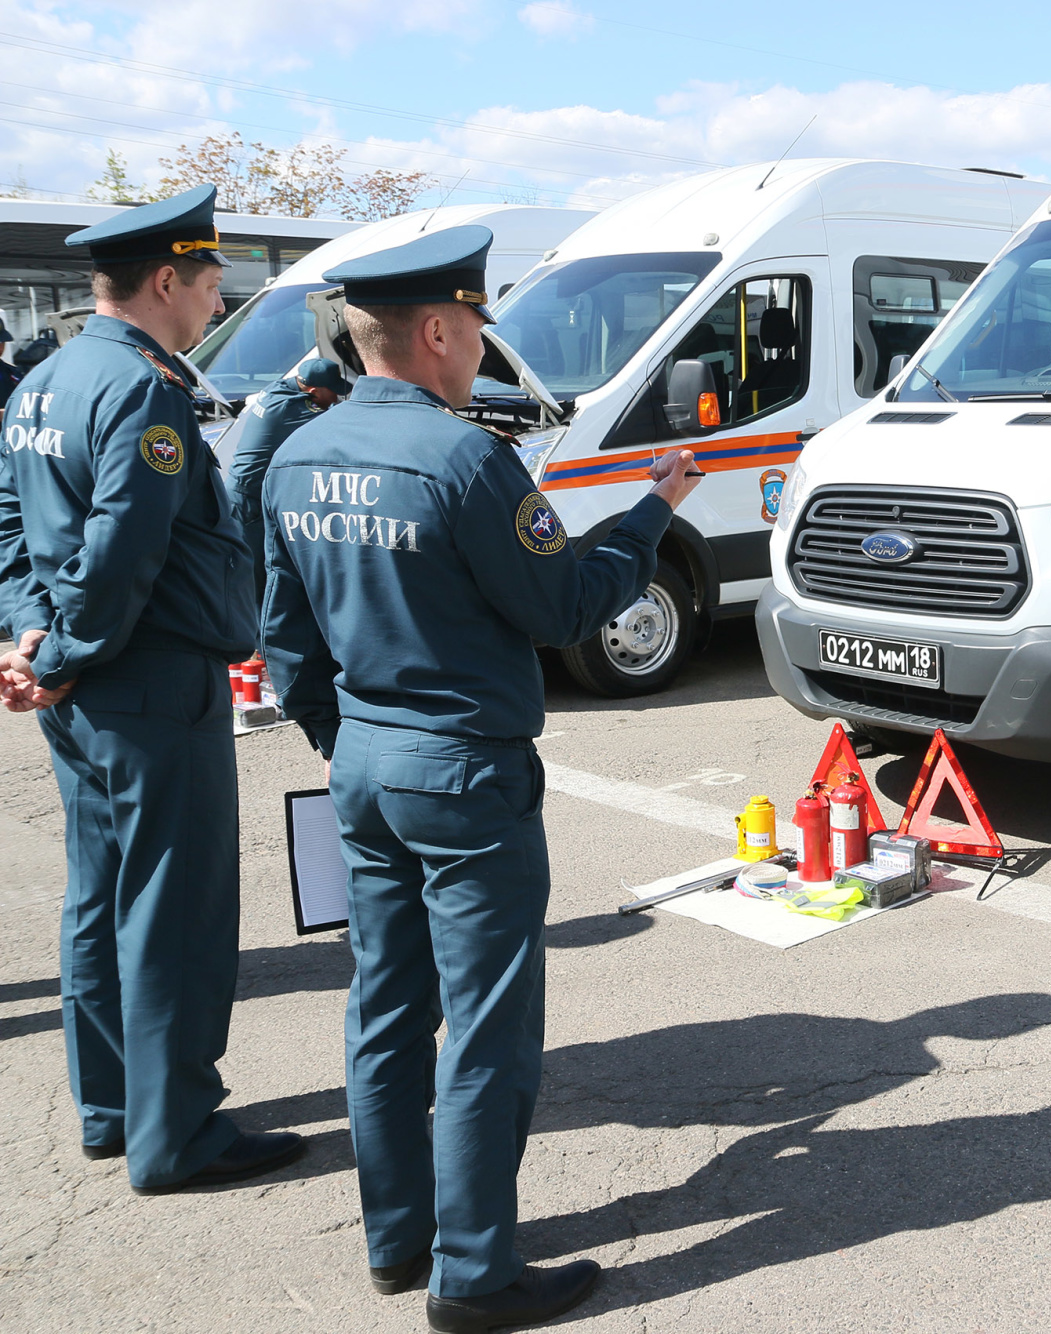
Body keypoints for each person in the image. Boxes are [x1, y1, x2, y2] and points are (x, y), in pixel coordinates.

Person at [260, 225, 701, 1331]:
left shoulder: (296, 453)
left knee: (385, 1011)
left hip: (363, 764)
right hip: (461, 774)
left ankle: (396, 1239)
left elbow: (284, 641)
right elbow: (561, 605)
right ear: (440, 329)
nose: (482, 351)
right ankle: (473, 1271)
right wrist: (650, 512)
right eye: (478, 330)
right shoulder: (465, 460)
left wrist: (348, 740)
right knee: (488, 1022)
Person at [0, 184, 305, 1190]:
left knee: (101, 894)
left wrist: (29, 631)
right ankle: (178, 1133)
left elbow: (11, 524)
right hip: (143, 677)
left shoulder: (43, 379)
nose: (217, 305)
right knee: (173, 904)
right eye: (213, 284)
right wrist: (57, 647)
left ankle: (111, 1107)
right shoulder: (141, 388)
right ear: (167, 279)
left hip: (82, 681)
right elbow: (123, 549)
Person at [227, 356, 351, 600]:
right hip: (248, 501)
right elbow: (341, 427)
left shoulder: (278, 389)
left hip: (240, 493)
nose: (336, 399)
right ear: (313, 392)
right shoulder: (292, 409)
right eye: (333, 393)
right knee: (259, 585)